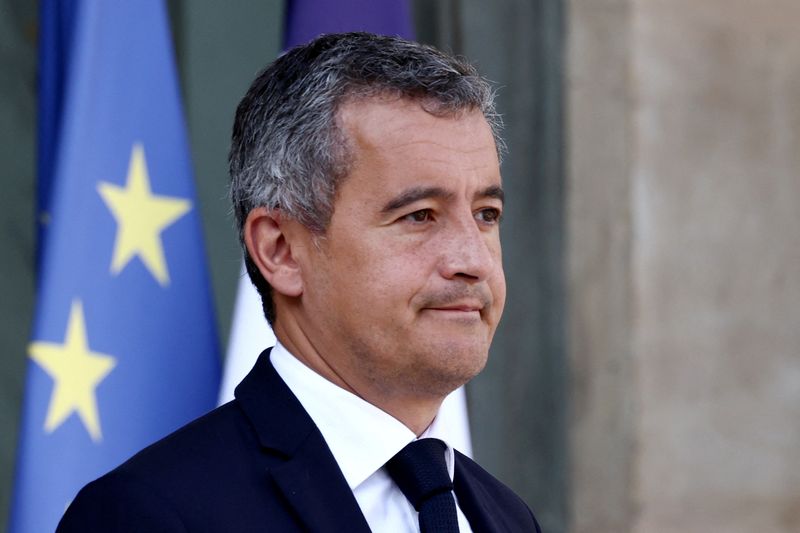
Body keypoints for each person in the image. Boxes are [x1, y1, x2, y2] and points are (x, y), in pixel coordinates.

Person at [58, 32, 541, 532]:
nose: (473, 260)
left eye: (486, 214)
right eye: (419, 216)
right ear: (280, 251)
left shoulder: (506, 517)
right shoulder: (148, 514)